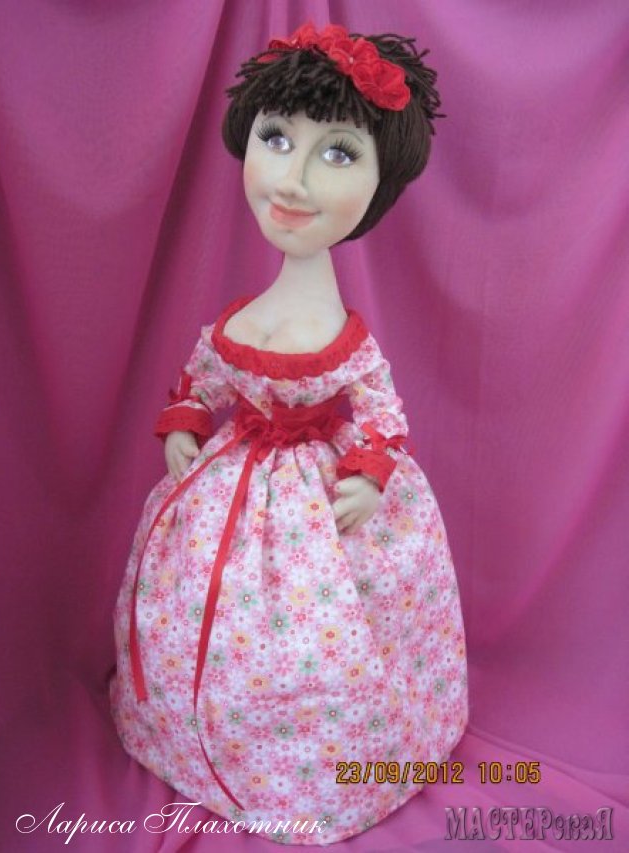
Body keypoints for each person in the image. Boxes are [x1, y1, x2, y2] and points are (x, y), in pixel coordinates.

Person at [109, 22, 468, 846]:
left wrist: (369, 471)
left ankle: (309, 767)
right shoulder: (242, 317)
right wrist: (187, 420)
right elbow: (203, 377)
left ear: (379, 184)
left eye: (337, 153)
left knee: (313, 638)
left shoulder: (343, 336)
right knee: (197, 610)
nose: (294, 181)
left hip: (315, 501)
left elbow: (381, 410)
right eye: (277, 139)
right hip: (228, 485)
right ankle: (189, 734)